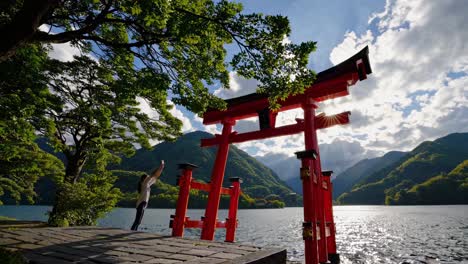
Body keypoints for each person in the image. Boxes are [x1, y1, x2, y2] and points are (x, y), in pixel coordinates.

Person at [131, 160, 165, 231]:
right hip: (141, 204)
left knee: (138, 221)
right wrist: (160, 166)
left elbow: (155, 176)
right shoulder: (144, 183)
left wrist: (161, 168)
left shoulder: (147, 184)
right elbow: (153, 174)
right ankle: (132, 231)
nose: (148, 178)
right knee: (137, 220)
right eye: (147, 178)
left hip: (143, 204)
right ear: (144, 179)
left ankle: (133, 231)